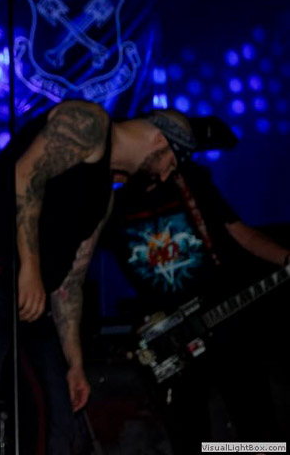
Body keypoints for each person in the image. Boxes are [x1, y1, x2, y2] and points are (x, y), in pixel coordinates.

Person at [0, 100, 189, 455]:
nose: (163, 175)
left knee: (56, 417)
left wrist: (75, 363)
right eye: (170, 163)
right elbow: (25, 176)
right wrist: (30, 268)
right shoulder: (90, 122)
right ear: (160, 139)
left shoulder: (104, 197)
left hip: (32, 297)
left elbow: (71, 281)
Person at [101, 113, 290, 451]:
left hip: (222, 316)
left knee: (258, 430)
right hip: (167, 335)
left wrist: (286, 258)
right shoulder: (109, 204)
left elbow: (240, 232)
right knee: (189, 436)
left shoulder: (189, 182)